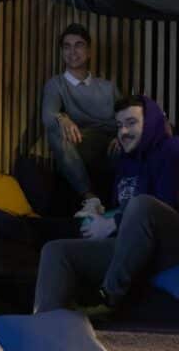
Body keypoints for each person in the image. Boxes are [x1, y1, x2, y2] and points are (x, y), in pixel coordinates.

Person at [34, 95, 179, 313]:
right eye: (119, 125)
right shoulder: (127, 161)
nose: (123, 132)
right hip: (139, 247)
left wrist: (112, 223)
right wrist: (102, 216)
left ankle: (108, 298)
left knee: (142, 205)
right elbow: (126, 212)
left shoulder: (175, 150)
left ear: (152, 122)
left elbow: (168, 205)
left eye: (131, 123)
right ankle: (46, 327)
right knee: (56, 251)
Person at [41, 23, 121, 213]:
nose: (72, 51)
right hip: (81, 144)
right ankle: (90, 198)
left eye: (79, 45)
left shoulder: (108, 87)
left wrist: (122, 135)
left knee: (135, 140)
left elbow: (127, 115)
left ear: (89, 51)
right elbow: (47, 115)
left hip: (112, 145)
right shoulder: (56, 84)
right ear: (61, 52)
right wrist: (62, 118)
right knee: (57, 131)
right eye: (67, 46)